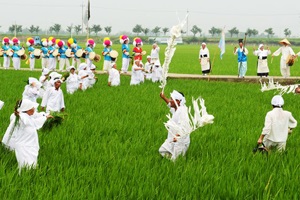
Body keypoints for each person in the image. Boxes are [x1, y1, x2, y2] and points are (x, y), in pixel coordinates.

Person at [2, 99, 52, 172]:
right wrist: (45, 117)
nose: (34, 109)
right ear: (28, 109)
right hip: (24, 146)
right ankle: (25, 178)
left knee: (30, 164)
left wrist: (45, 115)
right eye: (32, 108)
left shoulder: (26, 115)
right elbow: (34, 123)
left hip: (29, 145)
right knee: (26, 165)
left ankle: (30, 176)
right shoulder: (23, 117)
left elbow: (36, 116)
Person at [159, 90, 190, 161]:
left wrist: (177, 136)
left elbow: (184, 126)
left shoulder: (182, 112)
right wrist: (163, 97)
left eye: (171, 99)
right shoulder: (176, 108)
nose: (170, 101)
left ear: (178, 101)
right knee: (162, 150)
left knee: (176, 161)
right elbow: (170, 105)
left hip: (180, 140)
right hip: (172, 138)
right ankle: (170, 161)